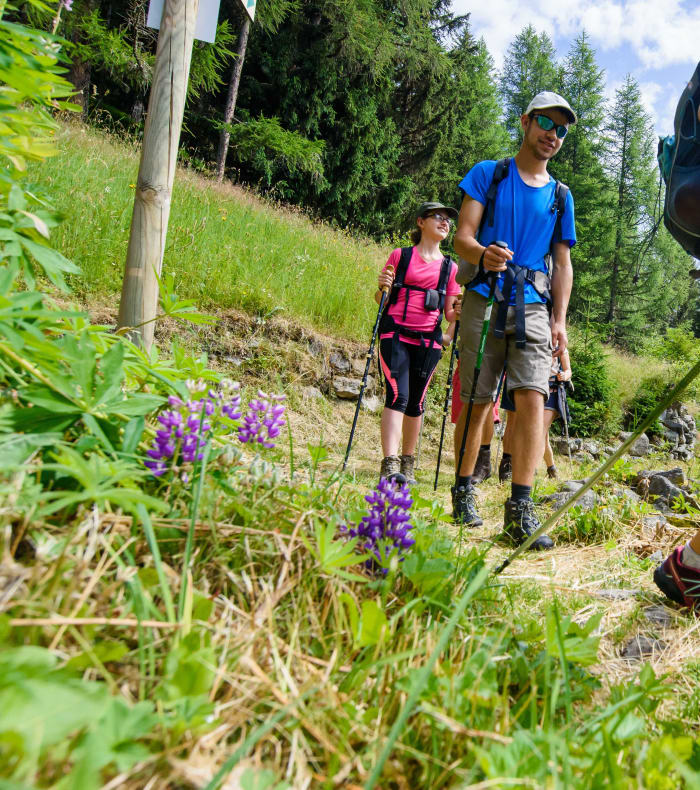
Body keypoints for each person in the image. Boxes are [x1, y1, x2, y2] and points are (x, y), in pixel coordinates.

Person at [451, 91, 577, 550]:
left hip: (535, 307)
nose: (552, 136)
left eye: (561, 130)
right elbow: (462, 237)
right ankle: (464, 489)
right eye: (546, 123)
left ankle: (519, 510)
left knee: (532, 400)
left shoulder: (561, 196)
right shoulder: (490, 173)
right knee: (479, 400)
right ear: (525, 122)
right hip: (485, 296)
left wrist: (559, 320)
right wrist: (483, 253)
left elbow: (562, 264)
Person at [376, 202, 461, 484]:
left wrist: (452, 326)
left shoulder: (451, 268)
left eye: (448, 220)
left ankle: (408, 464)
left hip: (428, 342)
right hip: (395, 335)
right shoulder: (400, 256)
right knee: (398, 395)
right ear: (420, 222)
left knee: (416, 402)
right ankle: (390, 464)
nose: (445, 222)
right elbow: (382, 301)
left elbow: (450, 312)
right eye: (438, 217)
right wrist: (381, 288)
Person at [498, 351, 572, 481]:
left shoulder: (559, 344)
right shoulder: (532, 337)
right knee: (542, 435)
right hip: (530, 389)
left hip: (552, 391)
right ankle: (551, 469)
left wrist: (564, 376)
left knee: (539, 431)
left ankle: (530, 470)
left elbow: (568, 370)